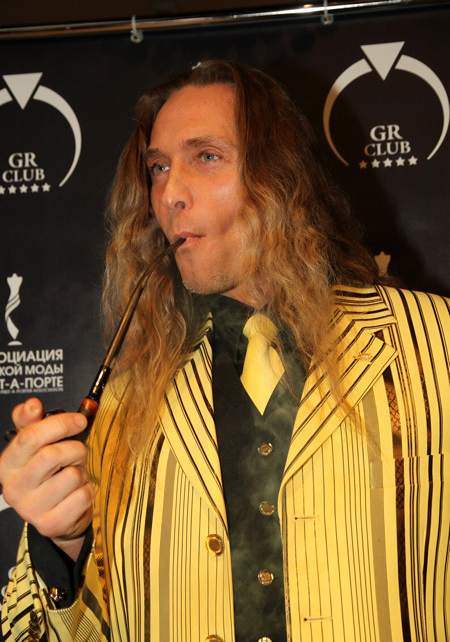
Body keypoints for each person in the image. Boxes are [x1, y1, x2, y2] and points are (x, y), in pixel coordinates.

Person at [1, 60, 449, 642]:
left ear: (280, 175)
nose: (169, 194)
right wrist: (61, 546)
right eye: (158, 168)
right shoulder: (122, 408)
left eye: (206, 156)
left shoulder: (437, 343)